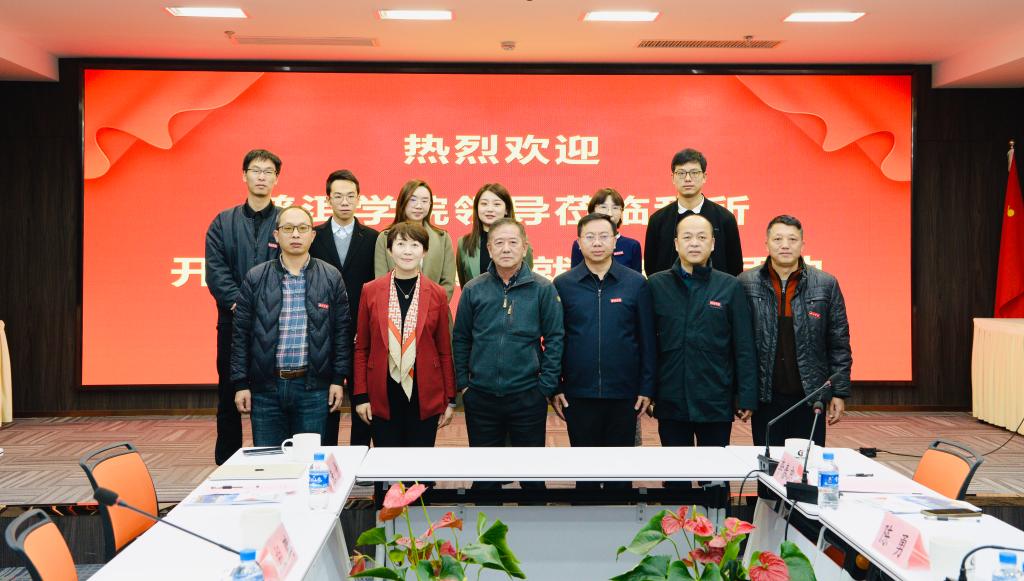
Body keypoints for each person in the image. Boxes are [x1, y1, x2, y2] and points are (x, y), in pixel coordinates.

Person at [453, 218, 564, 487]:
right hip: (481, 396)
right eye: (499, 242)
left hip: (528, 395)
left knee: (532, 480)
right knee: (485, 481)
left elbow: (555, 338)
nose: (506, 248)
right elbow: (461, 339)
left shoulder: (542, 289)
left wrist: (545, 387)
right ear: (489, 249)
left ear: (525, 247)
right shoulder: (473, 289)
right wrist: (465, 385)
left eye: (513, 242)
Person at [231, 206, 351, 446]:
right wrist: (241, 383)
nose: (295, 234)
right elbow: (240, 335)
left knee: (309, 461)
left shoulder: (331, 276)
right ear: (277, 235)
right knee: (271, 462)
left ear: (312, 235)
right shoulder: (256, 277)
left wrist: (338, 380)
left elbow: (342, 333)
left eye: (302, 228)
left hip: (313, 389)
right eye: (288, 228)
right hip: (266, 389)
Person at [553, 214, 656, 489]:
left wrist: (646, 387)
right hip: (578, 394)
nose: (597, 243)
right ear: (579, 242)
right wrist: (556, 386)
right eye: (589, 237)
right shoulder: (563, 284)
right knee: (585, 475)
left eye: (603, 236)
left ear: (614, 241)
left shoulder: (636, 283)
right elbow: (555, 339)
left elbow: (646, 339)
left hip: (624, 394)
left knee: (619, 476)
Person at [648, 213, 757, 457]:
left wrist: (746, 396)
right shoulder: (656, 285)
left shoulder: (729, 286)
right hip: (671, 396)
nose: (694, 243)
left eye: (701, 237)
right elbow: (648, 345)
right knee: (676, 473)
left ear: (713, 243)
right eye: (687, 237)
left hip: (715, 396)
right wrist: (648, 390)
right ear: (676, 243)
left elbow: (743, 346)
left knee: (715, 472)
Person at [738, 215, 852, 447]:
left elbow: (839, 343)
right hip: (765, 396)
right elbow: (738, 345)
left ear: (803, 244)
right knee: (769, 463)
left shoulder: (826, 284)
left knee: (806, 464)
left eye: (792, 239)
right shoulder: (745, 283)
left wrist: (839, 393)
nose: (785, 245)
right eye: (778, 239)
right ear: (766, 244)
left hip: (809, 397)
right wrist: (742, 394)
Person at [205, 148, 283, 465]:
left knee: (273, 396)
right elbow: (216, 272)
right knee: (229, 395)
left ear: (276, 179)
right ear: (244, 175)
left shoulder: (286, 222)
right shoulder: (223, 222)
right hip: (233, 322)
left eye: (268, 172)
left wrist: (266, 309)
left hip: (276, 324)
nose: (261, 177)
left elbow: (290, 267)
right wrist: (241, 305)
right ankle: (227, 464)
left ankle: (276, 460)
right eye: (256, 170)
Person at [352, 221, 456, 447]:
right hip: (382, 392)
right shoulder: (371, 290)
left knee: (419, 463)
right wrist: (361, 395)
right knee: (386, 463)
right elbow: (362, 348)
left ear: (424, 251)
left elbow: (444, 350)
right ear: (390, 250)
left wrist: (450, 399)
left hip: (424, 393)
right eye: (401, 244)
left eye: (415, 245)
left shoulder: (437, 293)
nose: (407, 251)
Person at [309, 169, 378, 447]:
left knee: (363, 397)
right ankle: (327, 457)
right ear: (328, 199)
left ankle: (360, 455)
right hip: (323, 330)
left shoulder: (373, 238)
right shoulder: (313, 236)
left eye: (351, 196)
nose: (345, 202)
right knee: (328, 399)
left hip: (362, 330)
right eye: (338, 196)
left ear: (359, 198)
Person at [644, 148, 743, 277]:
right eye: (681, 173)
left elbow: (735, 268)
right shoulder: (658, 220)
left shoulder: (725, 218)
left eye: (694, 173)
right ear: (673, 177)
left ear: (704, 177)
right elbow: (651, 268)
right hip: (669, 289)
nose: (688, 178)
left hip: (715, 289)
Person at [374, 180, 457, 301]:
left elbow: (448, 283)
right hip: (394, 308)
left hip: (434, 308)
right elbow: (381, 280)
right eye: (413, 200)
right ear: (403, 201)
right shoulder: (384, 237)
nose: (419, 206)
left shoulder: (442, 238)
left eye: (424, 201)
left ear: (430, 204)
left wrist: (431, 307)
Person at [457, 183, 535, 286]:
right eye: (484, 204)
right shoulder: (464, 243)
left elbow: (527, 281)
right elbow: (465, 285)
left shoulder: (520, 241)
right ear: (477, 208)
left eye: (496, 204)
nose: (490, 209)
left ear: (506, 209)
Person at [569, 188, 642, 273]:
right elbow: (574, 276)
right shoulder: (581, 244)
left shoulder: (632, 245)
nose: (609, 213)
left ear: (621, 213)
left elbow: (636, 279)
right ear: (592, 211)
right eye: (603, 207)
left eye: (615, 208)